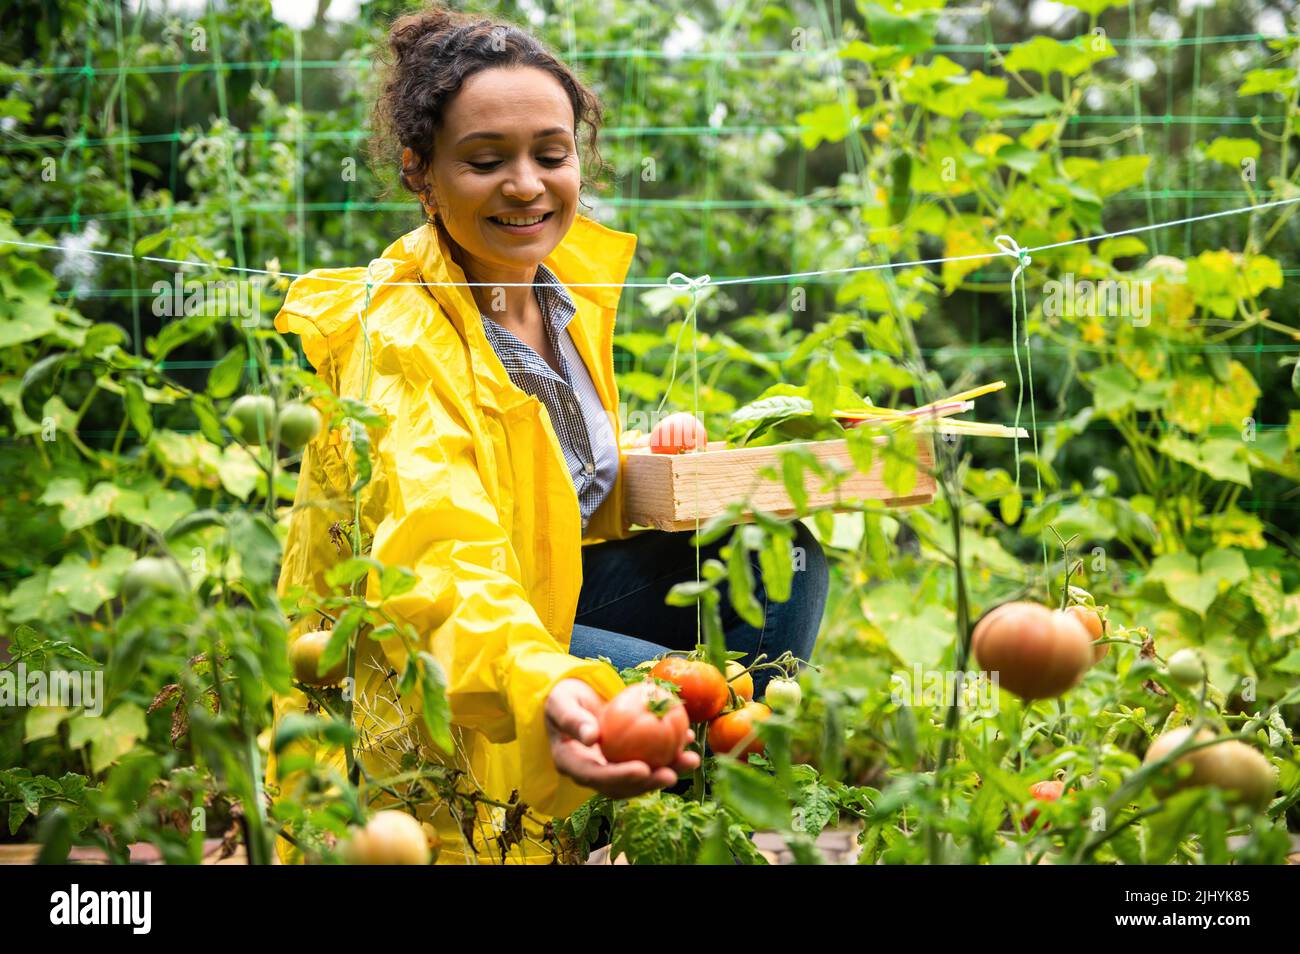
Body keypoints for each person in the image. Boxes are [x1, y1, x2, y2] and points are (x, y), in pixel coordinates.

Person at [268, 4, 828, 865]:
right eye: (486, 161)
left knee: (777, 556)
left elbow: (537, 473)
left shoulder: (561, 294)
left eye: (551, 155)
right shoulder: (405, 335)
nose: (526, 184)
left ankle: (664, 804)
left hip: (544, 593)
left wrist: (651, 454)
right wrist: (557, 687)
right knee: (668, 702)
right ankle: (634, 782)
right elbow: (437, 556)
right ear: (421, 175)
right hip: (434, 639)